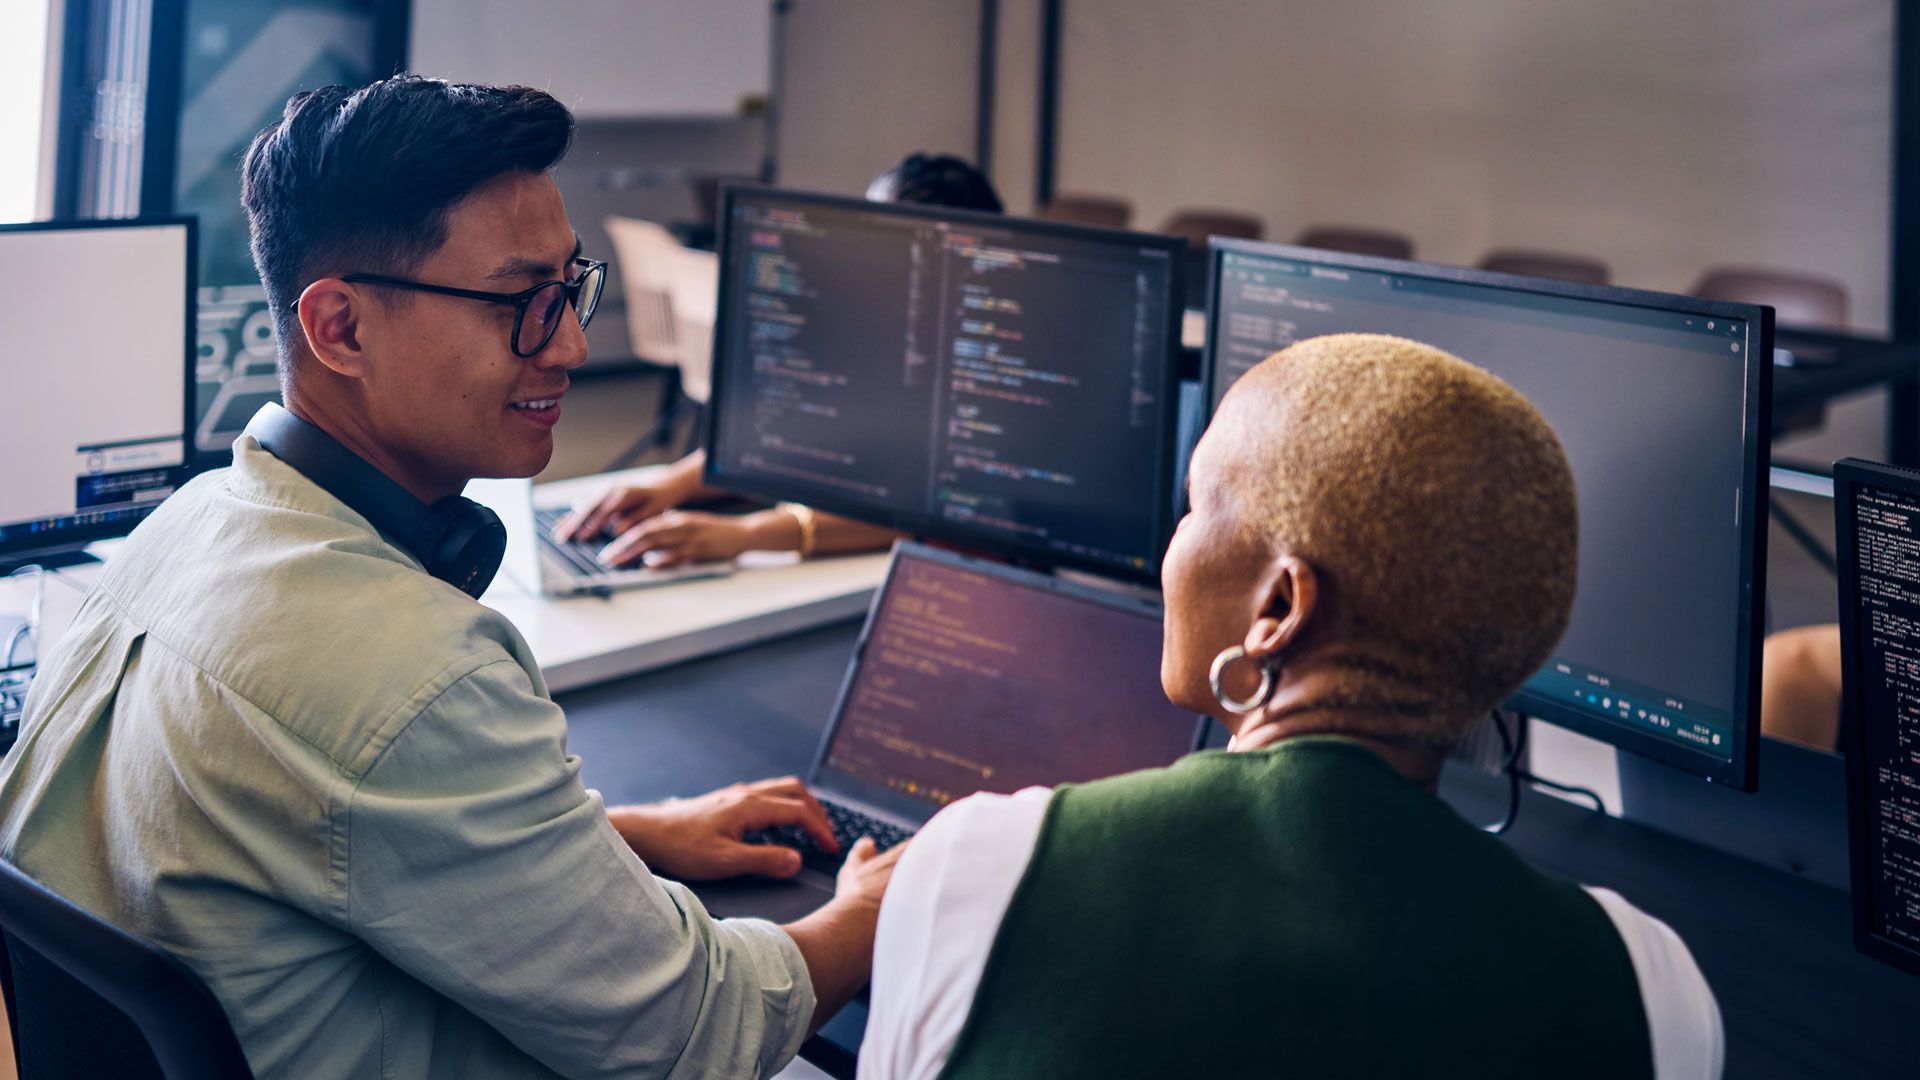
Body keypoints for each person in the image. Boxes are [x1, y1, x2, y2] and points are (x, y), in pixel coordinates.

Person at [0, 76, 901, 1078]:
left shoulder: (180, 530)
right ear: (340, 328)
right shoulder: (412, 677)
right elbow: (697, 1034)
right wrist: (877, 904)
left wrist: (619, 839)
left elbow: (300, 828)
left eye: (571, 288)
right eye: (522, 303)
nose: (570, 343)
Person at [860, 333, 1722, 1078]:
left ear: (1278, 608)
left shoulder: (983, 869)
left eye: (1194, 507)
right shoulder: (1651, 989)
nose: (1171, 546)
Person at [555, 152, 1003, 567]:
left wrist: (747, 534)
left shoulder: (985, 369)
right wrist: (668, 486)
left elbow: (931, 513)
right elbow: (779, 444)